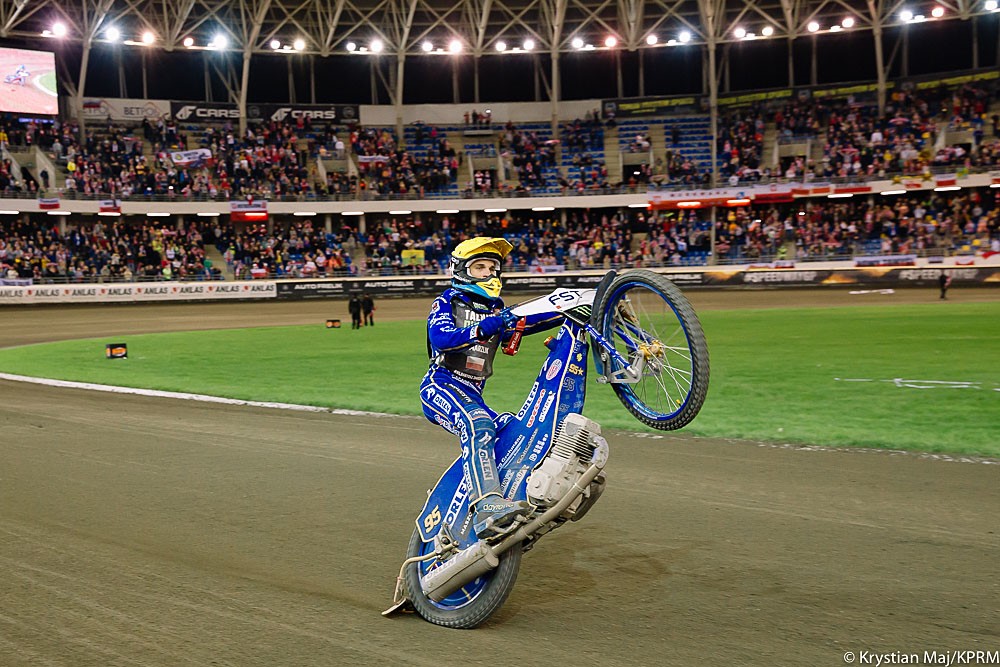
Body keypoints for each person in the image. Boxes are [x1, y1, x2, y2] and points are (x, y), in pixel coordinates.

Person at [420, 237, 561, 539]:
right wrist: (484, 327)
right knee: (478, 424)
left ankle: (523, 496)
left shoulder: (496, 309)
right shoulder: (447, 301)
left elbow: (527, 324)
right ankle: (486, 506)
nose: (488, 273)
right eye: (480, 267)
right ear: (462, 270)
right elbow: (442, 338)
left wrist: (565, 310)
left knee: (514, 428)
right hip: (441, 385)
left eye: (492, 267)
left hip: (473, 394)